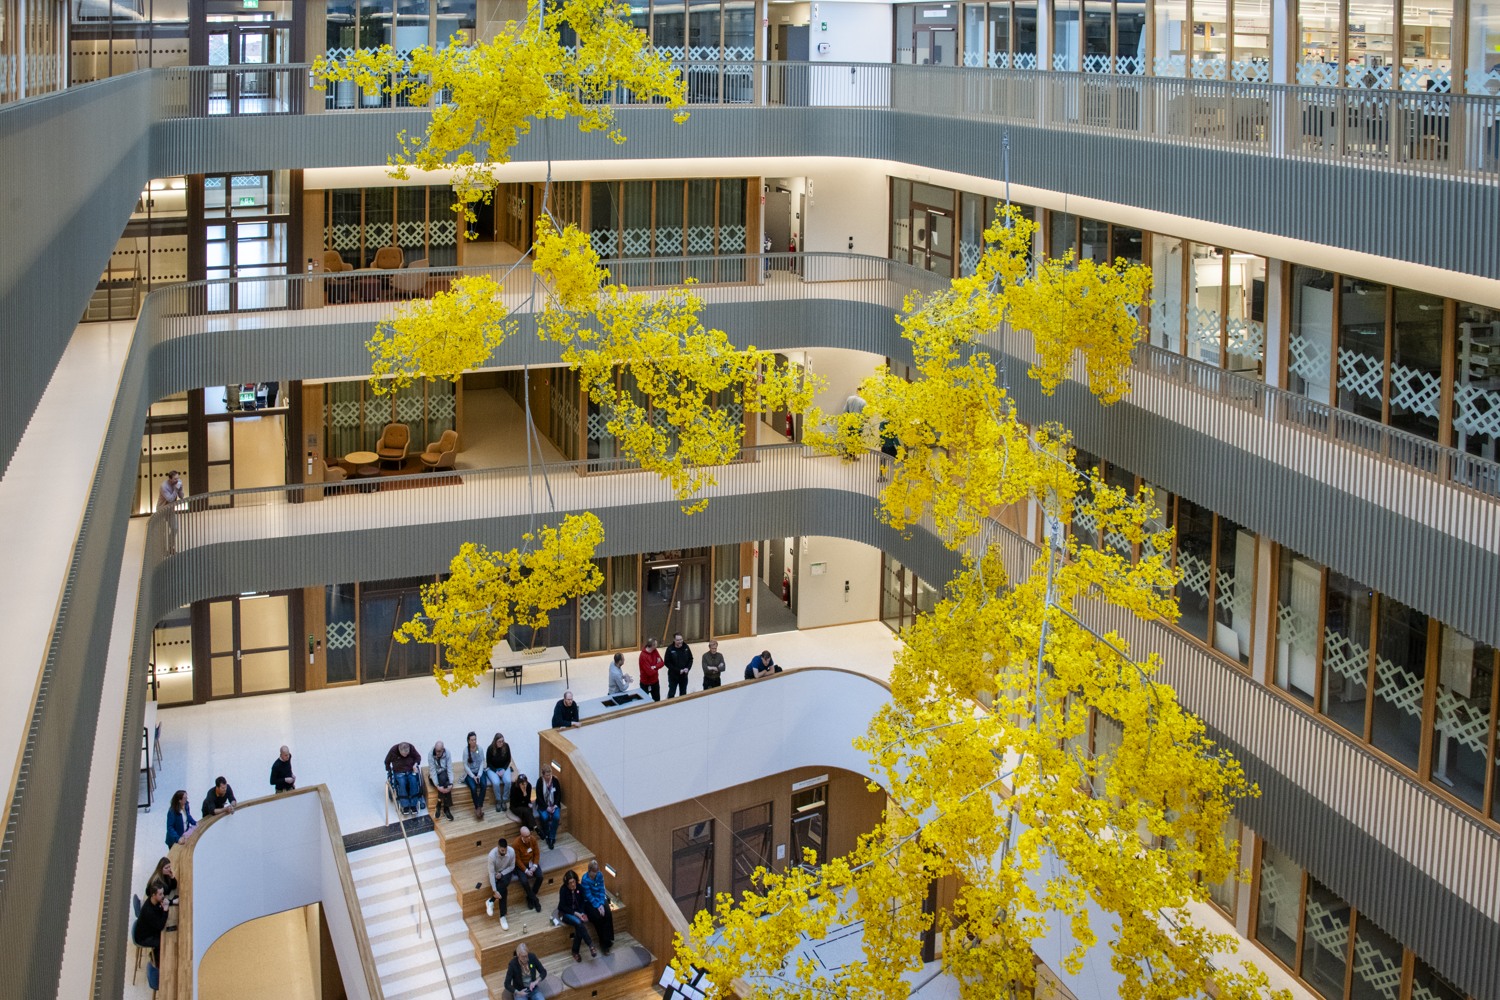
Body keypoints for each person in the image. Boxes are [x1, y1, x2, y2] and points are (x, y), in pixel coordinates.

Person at [556, 869, 597, 960]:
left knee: (579, 926)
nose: (573, 884)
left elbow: (582, 902)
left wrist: (582, 912)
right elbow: (562, 906)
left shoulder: (579, 887)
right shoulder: (563, 890)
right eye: (570, 883)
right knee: (578, 923)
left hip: (578, 912)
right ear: (567, 883)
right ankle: (590, 945)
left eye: (574, 881)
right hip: (565, 913)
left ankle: (575, 951)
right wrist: (576, 914)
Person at [580, 858, 615, 954]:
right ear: (589, 870)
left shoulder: (600, 875)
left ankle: (608, 939)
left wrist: (601, 904)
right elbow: (588, 895)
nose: (596, 873)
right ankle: (603, 942)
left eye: (597, 871)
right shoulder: (585, 879)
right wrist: (597, 906)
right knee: (597, 917)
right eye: (594, 872)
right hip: (589, 902)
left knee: (607, 913)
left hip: (599, 899)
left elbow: (601, 890)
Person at [132, 882, 171, 967]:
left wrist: (168, 904)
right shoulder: (148, 911)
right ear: (153, 895)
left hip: (149, 929)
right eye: (160, 894)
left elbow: (159, 913)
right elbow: (160, 926)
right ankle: (158, 964)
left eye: (162, 893)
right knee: (163, 941)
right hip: (143, 937)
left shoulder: (154, 900)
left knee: (167, 935)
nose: (163, 896)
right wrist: (165, 910)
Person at [487, 837, 518, 930]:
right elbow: (491, 873)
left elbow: (512, 866)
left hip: (506, 871)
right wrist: (494, 890)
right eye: (502, 850)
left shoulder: (511, 852)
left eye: (505, 850)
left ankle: (491, 901)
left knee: (504, 882)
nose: (504, 852)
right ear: (498, 847)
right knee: (503, 890)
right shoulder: (491, 856)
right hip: (495, 873)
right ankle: (502, 916)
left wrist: (502, 873)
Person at [384, 741, 423, 815]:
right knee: (402, 783)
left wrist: (415, 764)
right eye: (404, 754)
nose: (406, 755)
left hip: (411, 770)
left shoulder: (411, 747)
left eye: (407, 753)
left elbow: (418, 757)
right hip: (399, 772)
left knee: (413, 781)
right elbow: (387, 762)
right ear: (399, 750)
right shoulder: (393, 750)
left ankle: (413, 805)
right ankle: (405, 805)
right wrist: (389, 770)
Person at [513, 825, 544, 913]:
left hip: (532, 863)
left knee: (540, 876)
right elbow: (517, 860)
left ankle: (530, 897)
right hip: (521, 866)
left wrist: (534, 866)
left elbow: (537, 853)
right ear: (522, 836)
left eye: (529, 835)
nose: (529, 838)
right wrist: (526, 871)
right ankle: (535, 900)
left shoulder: (533, 839)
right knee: (524, 881)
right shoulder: (516, 844)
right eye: (527, 836)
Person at [462, 730, 488, 820]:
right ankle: (477, 807)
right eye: (472, 740)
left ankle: (479, 807)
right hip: (470, 773)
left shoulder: (479, 749)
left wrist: (479, 775)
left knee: (484, 785)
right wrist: (473, 776)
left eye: (475, 739)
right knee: (473, 788)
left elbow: (482, 762)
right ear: (468, 741)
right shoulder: (466, 751)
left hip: (479, 772)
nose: (474, 741)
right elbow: (465, 765)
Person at [485, 732, 513, 813]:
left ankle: (504, 799)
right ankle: (498, 800)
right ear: (495, 742)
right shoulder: (490, 749)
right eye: (499, 741)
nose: (501, 743)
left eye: (502, 741)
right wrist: (496, 771)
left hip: (504, 768)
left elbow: (508, 760)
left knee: (508, 781)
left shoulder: (506, 746)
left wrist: (504, 769)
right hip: (493, 769)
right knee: (496, 782)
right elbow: (489, 763)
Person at [158, 470, 185, 554]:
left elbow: (181, 496)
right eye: (175, 479)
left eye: (178, 478)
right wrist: (176, 489)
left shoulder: (178, 483)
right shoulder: (164, 486)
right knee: (162, 531)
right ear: (170, 479)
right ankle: (162, 550)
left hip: (170, 510)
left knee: (175, 528)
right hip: (162, 510)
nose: (177, 480)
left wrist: (180, 488)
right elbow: (169, 499)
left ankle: (170, 547)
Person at [535, 770, 562, 850]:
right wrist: (547, 807)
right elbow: (539, 797)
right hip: (543, 805)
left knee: (556, 817)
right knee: (545, 817)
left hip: (554, 805)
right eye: (547, 775)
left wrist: (555, 805)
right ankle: (547, 834)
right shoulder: (539, 782)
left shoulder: (555, 780)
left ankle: (552, 837)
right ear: (543, 775)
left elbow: (559, 794)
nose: (549, 777)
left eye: (550, 775)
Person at [430, 740, 455, 821]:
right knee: (443, 780)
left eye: (439, 751)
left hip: (444, 773)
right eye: (436, 751)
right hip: (434, 776)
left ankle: (439, 803)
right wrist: (437, 786)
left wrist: (451, 783)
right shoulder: (430, 754)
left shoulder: (447, 753)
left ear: (443, 749)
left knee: (446, 780)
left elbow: (450, 768)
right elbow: (433, 771)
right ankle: (446, 808)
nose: (437, 753)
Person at [664, 631, 694, 699]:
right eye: (678, 640)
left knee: (683, 694)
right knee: (672, 693)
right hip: (673, 676)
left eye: (681, 639)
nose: (680, 642)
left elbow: (690, 659)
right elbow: (667, 662)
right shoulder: (670, 649)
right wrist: (678, 671)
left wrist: (688, 668)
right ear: (674, 640)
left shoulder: (686, 647)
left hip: (684, 676)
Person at [638, 637, 664, 702]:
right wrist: (656, 668)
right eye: (656, 644)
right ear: (652, 646)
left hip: (655, 682)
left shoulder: (655, 651)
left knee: (657, 700)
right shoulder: (643, 656)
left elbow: (662, 662)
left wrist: (654, 666)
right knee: (644, 702)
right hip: (645, 683)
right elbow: (649, 672)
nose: (657, 646)